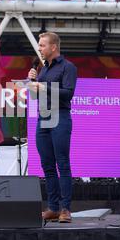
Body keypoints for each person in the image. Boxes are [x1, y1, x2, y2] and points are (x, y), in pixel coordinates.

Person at [27, 32, 77, 223]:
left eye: (42, 45)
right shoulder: (42, 70)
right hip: (43, 117)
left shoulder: (68, 67)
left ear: (53, 47)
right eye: (39, 45)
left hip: (60, 116)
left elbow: (68, 94)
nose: (39, 48)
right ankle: (54, 208)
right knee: (47, 165)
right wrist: (32, 82)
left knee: (62, 163)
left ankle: (66, 209)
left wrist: (43, 87)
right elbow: (34, 97)